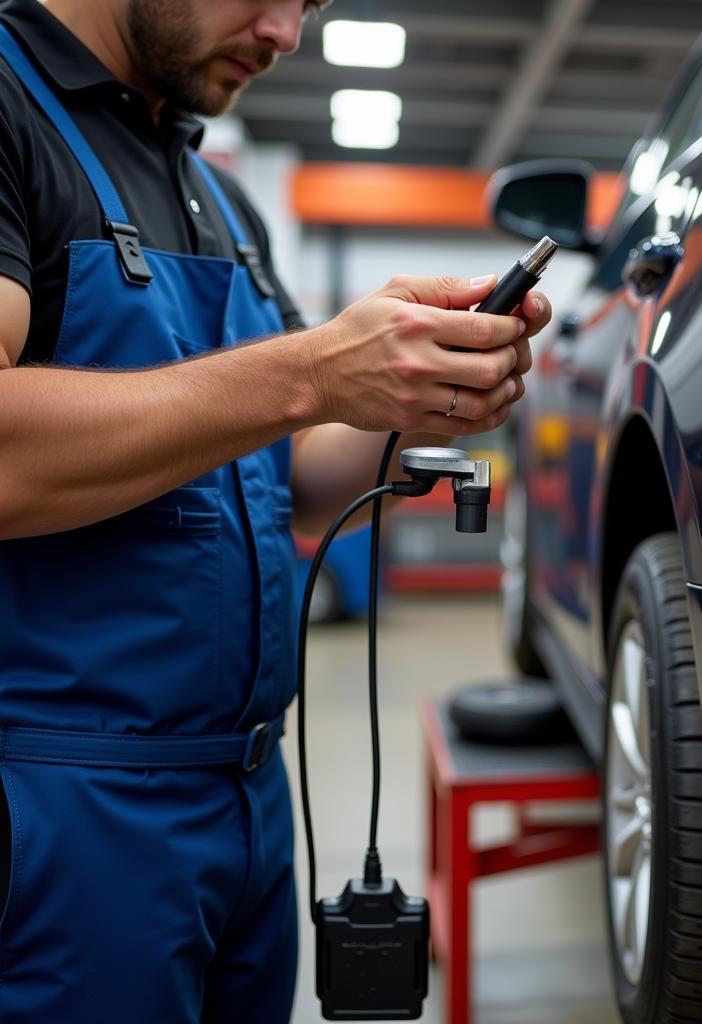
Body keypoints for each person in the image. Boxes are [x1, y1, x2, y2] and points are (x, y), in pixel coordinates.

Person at [0, 1, 551, 1020]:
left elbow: (297, 469)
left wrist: (412, 394)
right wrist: (309, 371)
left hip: (250, 796)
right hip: (66, 808)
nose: (286, 31)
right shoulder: (10, 107)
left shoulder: (218, 194)